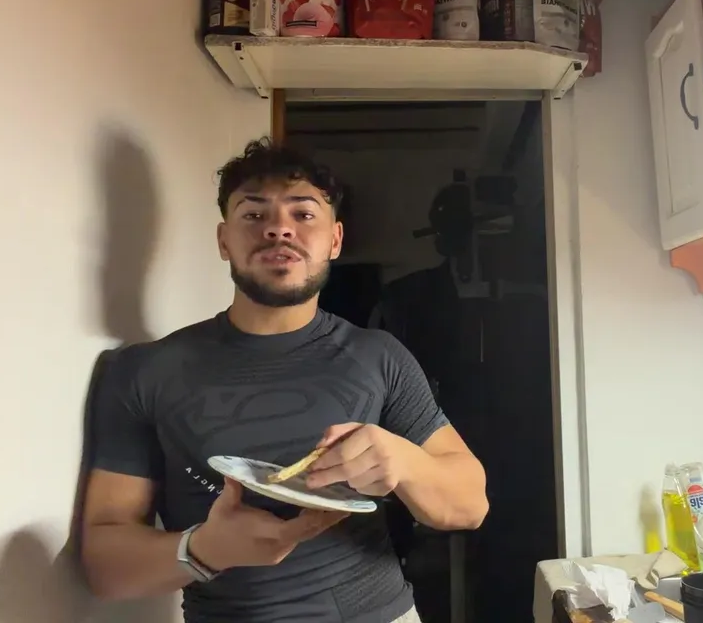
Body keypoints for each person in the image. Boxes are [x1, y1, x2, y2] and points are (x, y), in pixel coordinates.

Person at [80, 140, 489, 623]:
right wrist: (202, 549)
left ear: (335, 239)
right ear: (223, 240)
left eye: (304, 213)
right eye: (254, 214)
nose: (279, 228)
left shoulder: (379, 356)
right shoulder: (144, 371)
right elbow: (103, 567)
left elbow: (470, 505)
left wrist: (404, 461)